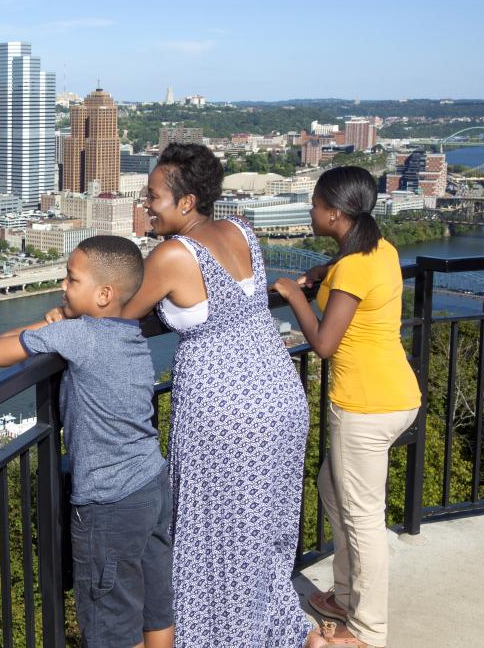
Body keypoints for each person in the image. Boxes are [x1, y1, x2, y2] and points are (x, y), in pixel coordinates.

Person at [121, 143, 310, 647]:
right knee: (261, 530)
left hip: (226, 410)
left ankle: (216, 634)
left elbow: (116, 314)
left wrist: (61, 319)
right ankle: (260, 626)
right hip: (279, 396)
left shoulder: (173, 254)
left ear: (186, 203)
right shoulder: (242, 230)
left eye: (153, 196)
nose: (146, 204)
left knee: (210, 533)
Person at [0, 235, 173, 648]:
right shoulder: (131, 334)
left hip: (109, 502)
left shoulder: (80, 337)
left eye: (71, 279)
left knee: (112, 621)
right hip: (151, 484)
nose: (63, 288)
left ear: (104, 294)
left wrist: (56, 325)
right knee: (155, 605)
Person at [271, 166, 421, 648]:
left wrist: (296, 294)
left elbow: (324, 343)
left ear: (335, 213)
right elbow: (348, 280)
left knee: (363, 520)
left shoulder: (353, 267)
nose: (311, 211)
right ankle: (345, 594)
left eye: (314, 205)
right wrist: (322, 273)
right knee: (331, 487)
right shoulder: (378, 250)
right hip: (397, 396)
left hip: (364, 406)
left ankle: (367, 630)